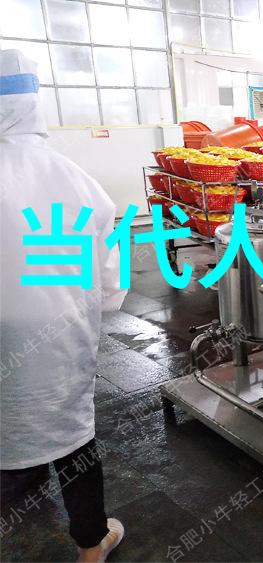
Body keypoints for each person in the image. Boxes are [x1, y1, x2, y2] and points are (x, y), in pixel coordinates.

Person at [0, 49, 127, 562]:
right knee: (72, 437)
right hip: (59, 340)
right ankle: (92, 546)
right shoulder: (79, 183)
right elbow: (112, 287)